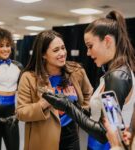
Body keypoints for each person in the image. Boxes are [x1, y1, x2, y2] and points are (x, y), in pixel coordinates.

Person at [42, 10, 135, 149]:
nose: (88, 53)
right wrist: (68, 104)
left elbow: (105, 132)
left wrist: (67, 107)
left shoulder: (117, 77)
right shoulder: (114, 73)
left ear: (108, 41)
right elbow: (97, 117)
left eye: (90, 46)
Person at [16, 30, 93, 150]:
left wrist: (80, 112)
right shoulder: (29, 77)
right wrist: (42, 104)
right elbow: (21, 113)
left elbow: (87, 94)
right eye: (56, 50)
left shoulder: (76, 71)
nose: (62, 53)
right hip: (43, 137)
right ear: (43, 54)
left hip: (71, 135)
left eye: (63, 48)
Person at [0, 27, 23, 150]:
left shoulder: (18, 67)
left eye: (8, 45)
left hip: (11, 114)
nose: (6, 49)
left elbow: (23, 92)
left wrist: (18, 112)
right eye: (1, 46)